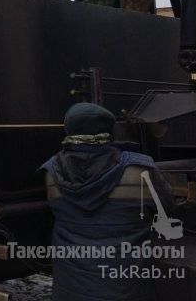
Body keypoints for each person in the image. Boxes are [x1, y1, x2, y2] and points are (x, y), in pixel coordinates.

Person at [41, 102, 175, 301]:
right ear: (110, 130)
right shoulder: (140, 170)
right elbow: (168, 212)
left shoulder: (51, 173)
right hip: (127, 291)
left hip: (70, 291)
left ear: (69, 131)